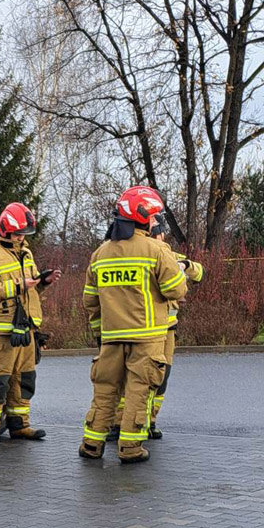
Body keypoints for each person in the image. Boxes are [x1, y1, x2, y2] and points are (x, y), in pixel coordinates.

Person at [79, 186, 188, 464]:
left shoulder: (100, 254)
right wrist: (182, 272)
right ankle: (130, 449)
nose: (155, 222)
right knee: (138, 392)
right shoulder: (156, 250)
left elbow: (90, 300)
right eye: (153, 217)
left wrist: (101, 332)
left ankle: (91, 445)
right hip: (147, 337)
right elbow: (176, 290)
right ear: (142, 218)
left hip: (111, 337)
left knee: (105, 392)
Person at [106, 215, 205, 440]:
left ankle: (148, 421)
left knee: (160, 379)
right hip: (146, 330)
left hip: (166, 328)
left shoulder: (167, 253)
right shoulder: (139, 252)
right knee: (133, 380)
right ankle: (121, 424)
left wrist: (185, 266)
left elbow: (199, 272)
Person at [0, 202, 60, 446]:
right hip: (2, 333)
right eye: (19, 233)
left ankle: (20, 427)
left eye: (24, 234)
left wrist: (43, 282)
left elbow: (29, 291)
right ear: (7, 231)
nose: (22, 237)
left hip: (26, 330)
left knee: (23, 381)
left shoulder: (26, 253)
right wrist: (20, 286)